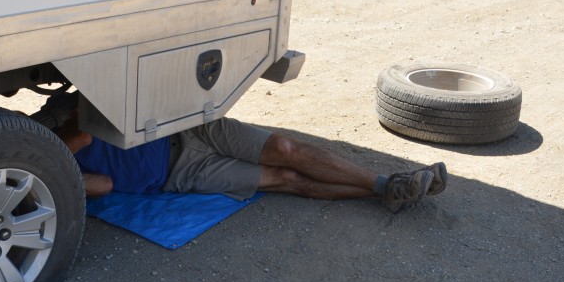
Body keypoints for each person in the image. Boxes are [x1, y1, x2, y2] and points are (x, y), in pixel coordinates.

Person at [55, 108, 446, 214]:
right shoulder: (54, 174)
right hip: (180, 173)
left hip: (187, 130)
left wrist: (53, 144)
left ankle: (388, 183)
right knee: (284, 179)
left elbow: (84, 131)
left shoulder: (58, 118)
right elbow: (103, 185)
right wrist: (57, 172)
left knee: (286, 150)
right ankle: (388, 190)